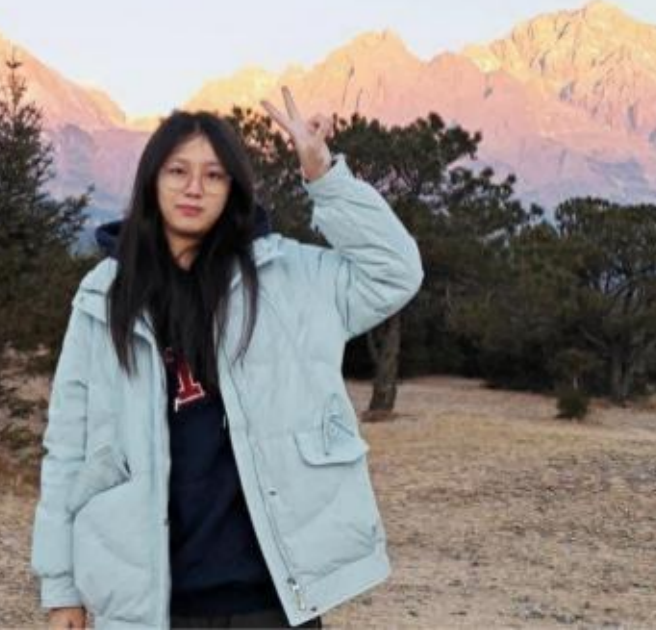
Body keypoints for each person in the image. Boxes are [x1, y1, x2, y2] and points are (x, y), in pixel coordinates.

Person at [30, 87, 424, 629]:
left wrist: (325, 176)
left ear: (234, 189)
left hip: (273, 600)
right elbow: (67, 450)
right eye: (178, 171)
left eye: (214, 175)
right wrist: (62, 588)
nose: (194, 187)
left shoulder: (287, 278)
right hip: (154, 603)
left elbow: (395, 272)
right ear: (151, 181)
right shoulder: (104, 296)